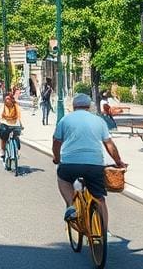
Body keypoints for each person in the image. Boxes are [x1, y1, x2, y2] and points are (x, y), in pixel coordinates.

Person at [52, 93, 126, 230]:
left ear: (74, 106)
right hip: (94, 164)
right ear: (89, 106)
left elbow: (56, 142)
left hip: (70, 163)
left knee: (63, 179)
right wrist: (118, 161)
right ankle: (104, 231)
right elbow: (109, 144)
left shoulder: (65, 120)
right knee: (100, 198)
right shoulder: (98, 121)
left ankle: (71, 205)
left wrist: (57, 158)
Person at [0, 92, 23, 162]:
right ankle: (2, 150)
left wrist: (21, 124)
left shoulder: (16, 106)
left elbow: (19, 115)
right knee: (3, 137)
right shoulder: (3, 107)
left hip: (15, 124)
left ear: (12, 99)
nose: (7, 100)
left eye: (9, 99)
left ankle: (16, 152)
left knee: (16, 136)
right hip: (5, 124)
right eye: (6, 99)